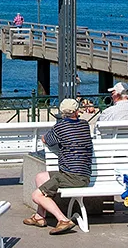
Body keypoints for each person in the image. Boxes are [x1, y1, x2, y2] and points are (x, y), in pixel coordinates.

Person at [24, 98, 91, 235]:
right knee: (40, 177)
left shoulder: (60, 127)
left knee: (36, 195)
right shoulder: (84, 125)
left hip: (71, 176)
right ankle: (39, 217)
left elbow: (46, 139)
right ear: (76, 111)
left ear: (62, 112)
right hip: (84, 175)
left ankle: (63, 220)